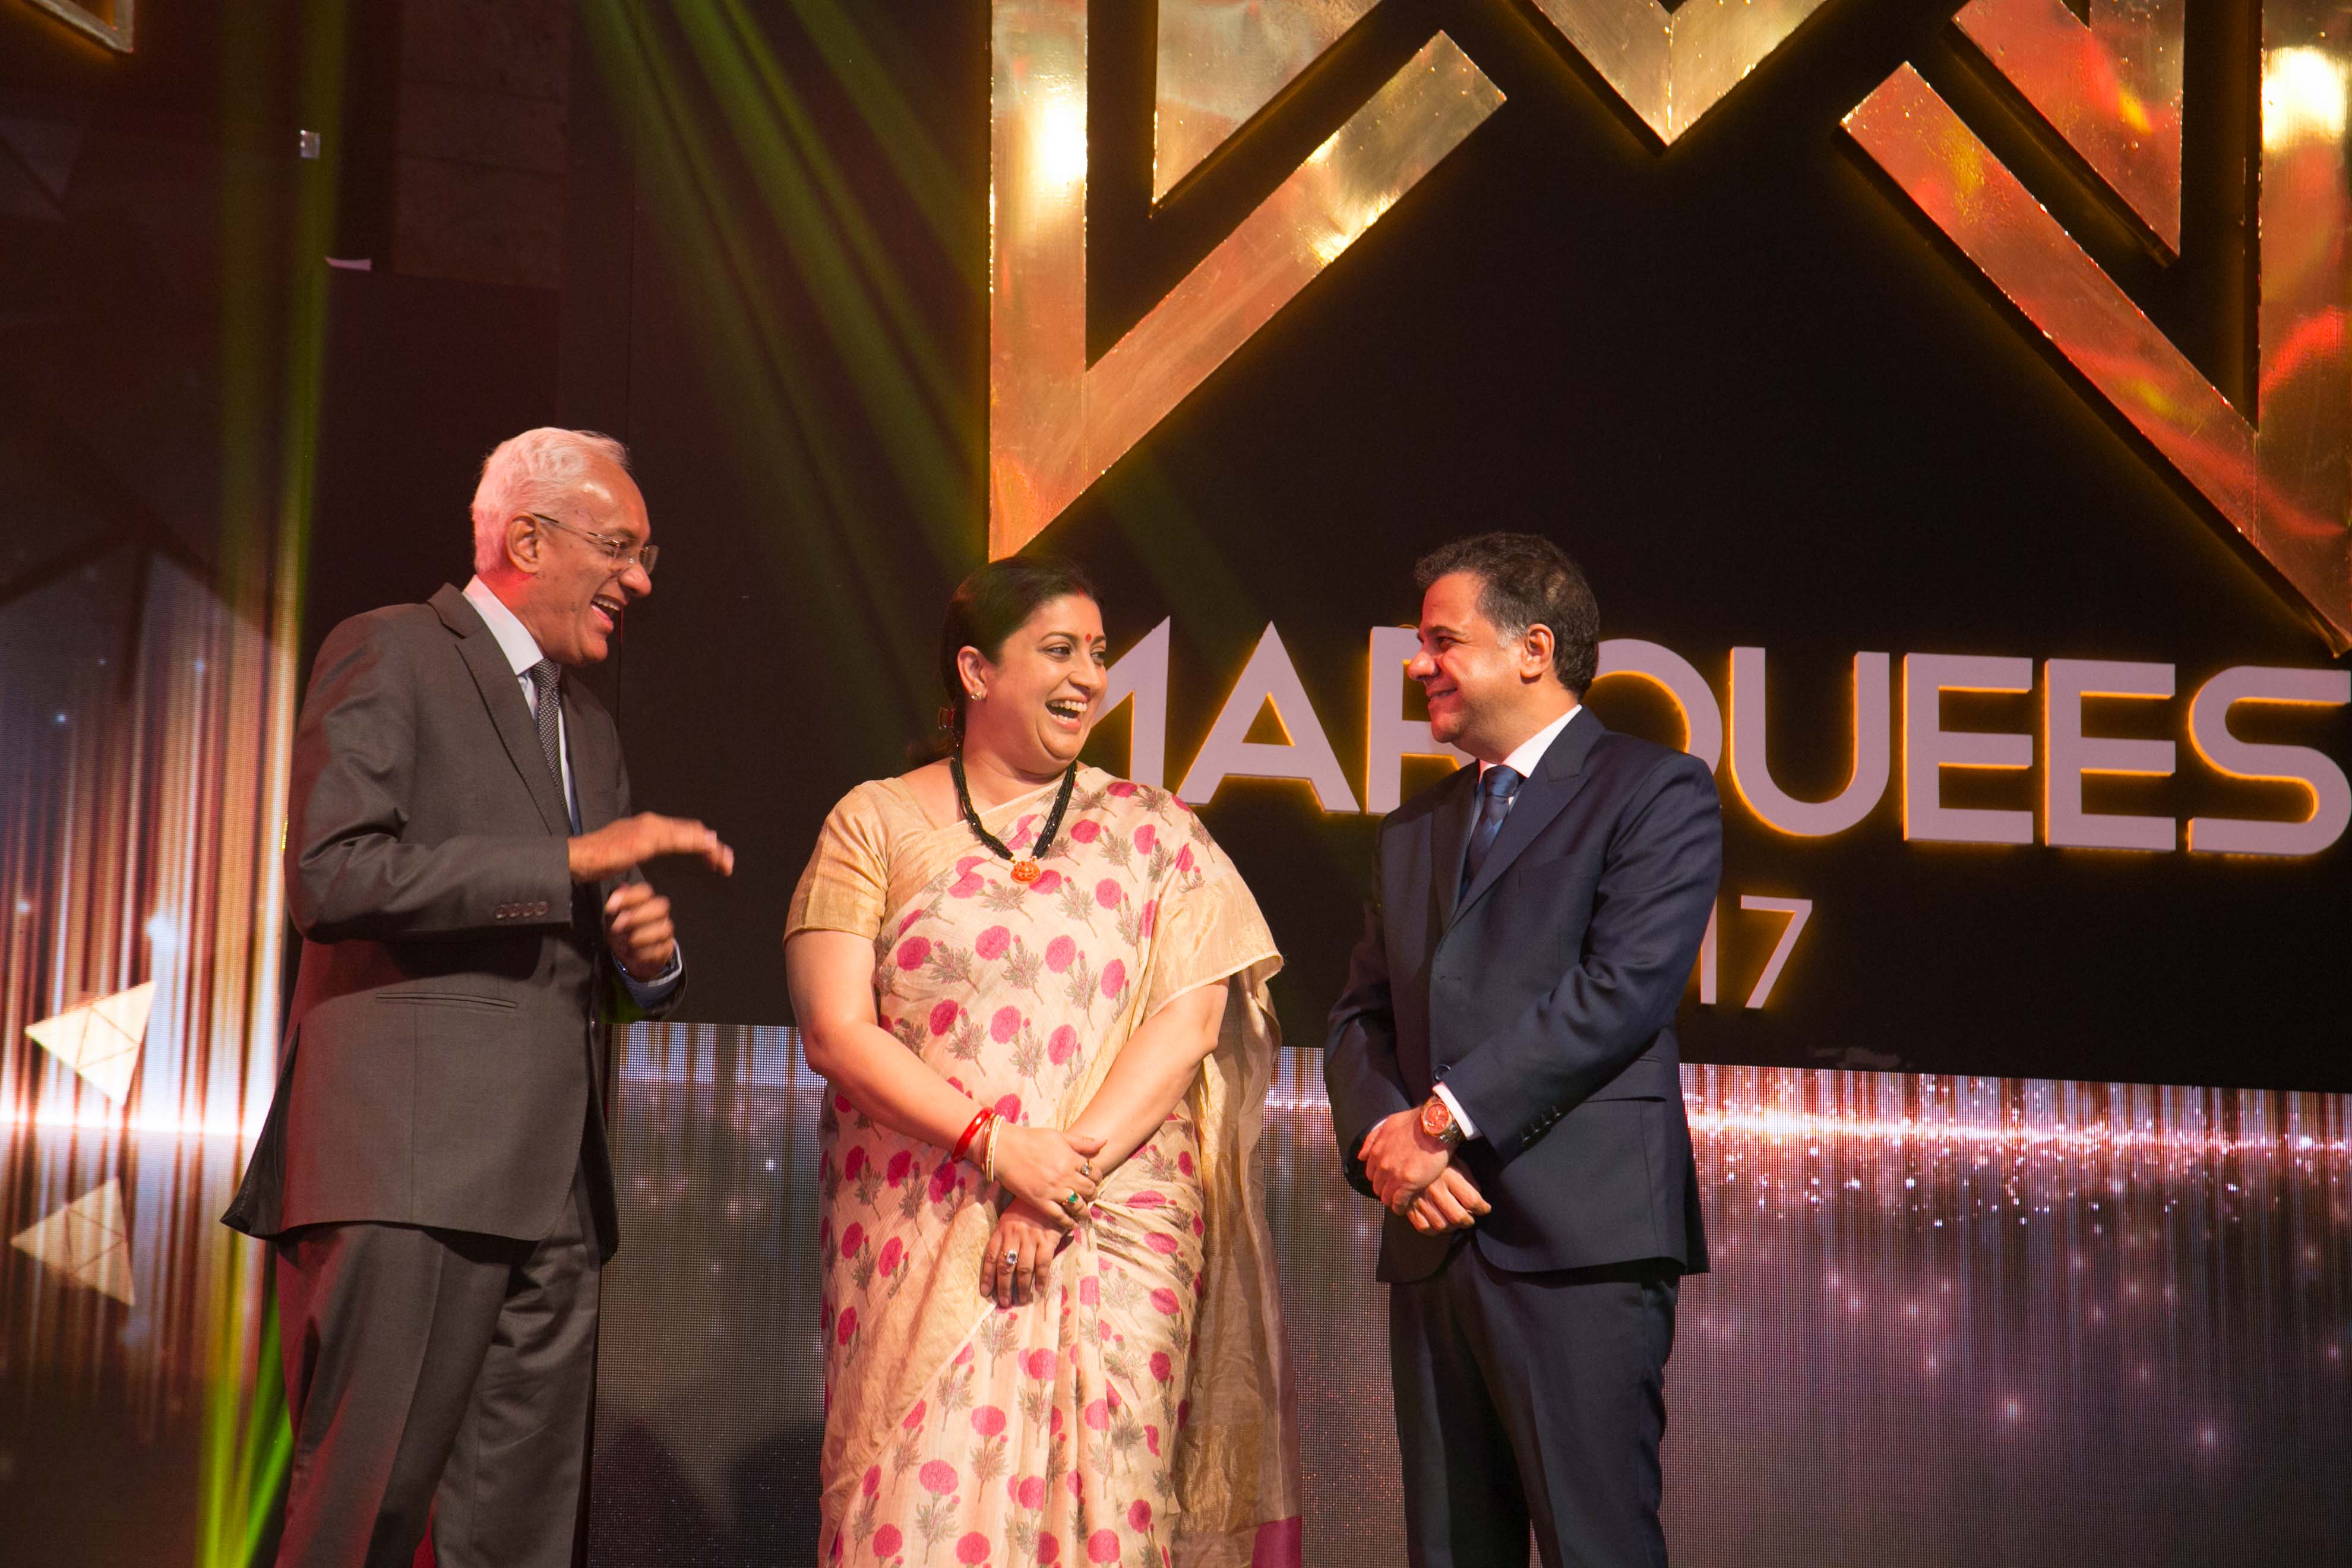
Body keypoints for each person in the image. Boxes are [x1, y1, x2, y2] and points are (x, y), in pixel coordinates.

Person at [222, 428, 735, 1566]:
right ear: (527, 540)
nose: (640, 581)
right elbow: (332, 875)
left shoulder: (589, 727)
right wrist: (567, 865)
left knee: (516, 1540)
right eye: (619, 548)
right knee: (364, 1518)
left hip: (556, 1192)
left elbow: (568, 948)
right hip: (407, 1166)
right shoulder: (393, 650)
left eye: (647, 555)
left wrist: (642, 961)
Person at [786, 557, 1300, 1568]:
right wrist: (994, 1147)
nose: (1089, 677)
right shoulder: (874, 824)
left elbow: (1189, 1024)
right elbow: (836, 1032)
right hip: (927, 1227)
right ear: (976, 672)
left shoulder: (1159, 833)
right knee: (917, 1516)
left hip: (1110, 1233)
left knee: (1109, 1512)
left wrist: (1059, 1175)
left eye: (1098, 654)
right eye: (1059, 651)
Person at [1324, 532, 1718, 1567]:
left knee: (1597, 1547)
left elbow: (1622, 991)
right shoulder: (1415, 827)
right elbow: (1361, 1017)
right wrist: (1387, 1141)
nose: (1419, 664)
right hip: (1433, 1238)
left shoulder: (1655, 790)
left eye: (1442, 640)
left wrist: (1440, 1121)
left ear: (1534, 649)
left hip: (1578, 1244)